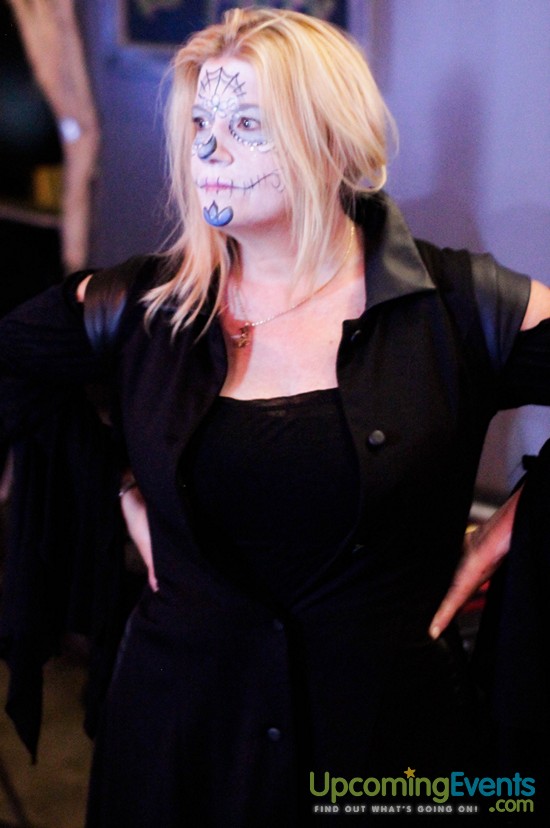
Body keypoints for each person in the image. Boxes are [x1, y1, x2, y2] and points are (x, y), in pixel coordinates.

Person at [1, 7, 550, 826]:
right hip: (181, 744)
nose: (210, 152)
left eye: (247, 124)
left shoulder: (460, 307)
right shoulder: (142, 308)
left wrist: (518, 521)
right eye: (201, 124)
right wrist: (120, 483)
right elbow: (16, 363)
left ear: (335, 144)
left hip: (385, 755)